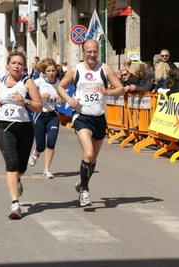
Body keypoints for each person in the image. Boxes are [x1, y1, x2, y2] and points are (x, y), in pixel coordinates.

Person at [56, 39, 127, 207]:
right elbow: (60, 87)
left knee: (93, 158)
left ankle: (82, 183)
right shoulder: (75, 70)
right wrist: (69, 100)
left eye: (94, 51)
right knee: (88, 154)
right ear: (83, 52)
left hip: (99, 117)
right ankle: (85, 190)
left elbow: (121, 88)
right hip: (81, 116)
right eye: (89, 52)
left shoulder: (105, 69)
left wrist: (108, 91)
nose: (92, 55)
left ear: (98, 52)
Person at [0, 50, 42, 219]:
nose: (16, 66)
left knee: (21, 167)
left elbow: (38, 106)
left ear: (24, 66)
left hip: (25, 128)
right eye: (14, 63)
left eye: (20, 64)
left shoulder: (28, 83)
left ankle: (17, 180)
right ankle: (15, 204)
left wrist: (24, 100)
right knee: (11, 163)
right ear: (8, 64)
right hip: (4, 126)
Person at [28, 58, 62, 179]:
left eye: (53, 70)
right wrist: (39, 96)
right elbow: (27, 94)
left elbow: (62, 100)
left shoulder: (59, 84)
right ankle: (36, 154)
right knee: (41, 146)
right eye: (48, 70)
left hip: (53, 115)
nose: (51, 73)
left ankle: (46, 170)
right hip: (40, 115)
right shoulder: (38, 82)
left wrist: (61, 100)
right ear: (44, 71)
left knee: (51, 143)